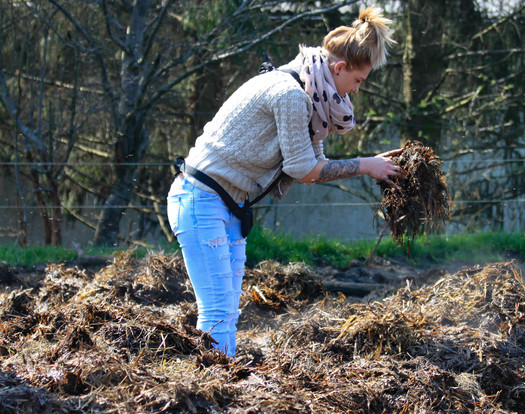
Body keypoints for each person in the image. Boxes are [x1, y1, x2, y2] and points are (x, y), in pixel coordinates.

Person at [167, 7, 401, 356]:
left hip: (229, 204)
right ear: (339, 69)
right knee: (217, 311)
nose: (353, 94)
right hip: (201, 200)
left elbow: (315, 163)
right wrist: (366, 165)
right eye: (357, 82)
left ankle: (219, 383)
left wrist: (370, 163)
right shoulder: (291, 95)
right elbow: (304, 170)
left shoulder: (310, 96)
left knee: (227, 310)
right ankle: (212, 389)